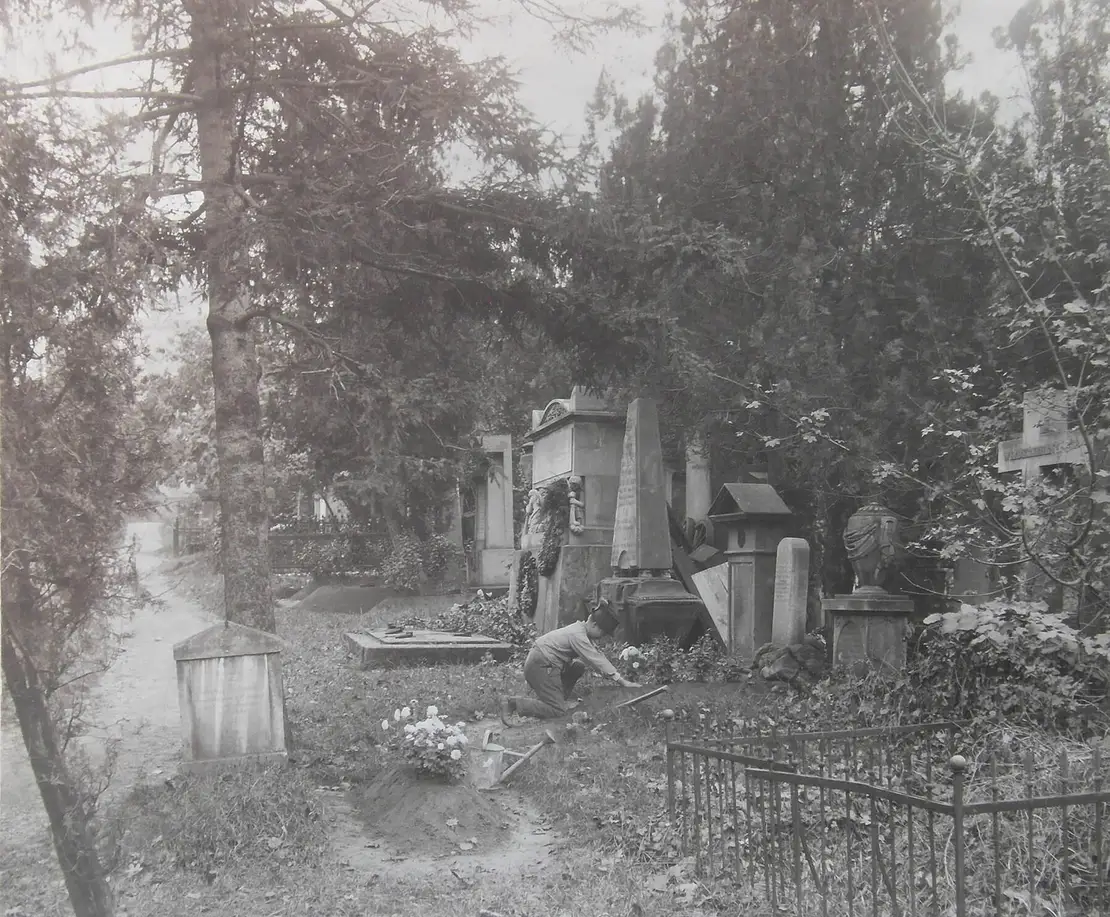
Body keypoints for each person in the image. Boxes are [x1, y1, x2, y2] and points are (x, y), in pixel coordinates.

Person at [500, 598, 641, 724]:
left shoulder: (581, 630)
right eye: (603, 633)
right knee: (558, 711)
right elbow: (595, 659)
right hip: (541, 665)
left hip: (544, 662)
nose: (602, 637)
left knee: (578, 666)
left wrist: (617, 676)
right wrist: (622, 681)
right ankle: (513, 703)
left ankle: (557, 699)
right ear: (594, 625)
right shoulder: (578, 635)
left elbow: (598, 654)